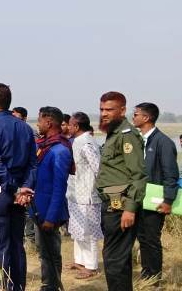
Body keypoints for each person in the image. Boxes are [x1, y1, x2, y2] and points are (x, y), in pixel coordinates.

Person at [0, 83, 36, 291]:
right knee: (16, 246)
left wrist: (16, 189)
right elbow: (32, 164)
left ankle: (2, 287)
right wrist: (25, 188)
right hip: (20, 195)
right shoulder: (25, 128)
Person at [95, 91, 147, 291]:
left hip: (121, 206)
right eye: (101, 109)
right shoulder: (114, 133)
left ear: (122, 110)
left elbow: (138, 176)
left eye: (109, 109)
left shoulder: (127, 136)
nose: (104, 113)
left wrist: (130, 209)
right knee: (118, 260)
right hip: (111, 206)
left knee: (114, 261)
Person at [132, 102, 179, 286]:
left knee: (151, 239)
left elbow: (171, 174)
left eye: (136, 114)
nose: (133, 117)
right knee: (142, 238)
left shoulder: (163, 142)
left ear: (146, 118)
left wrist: (168, 200)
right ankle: (146, 274)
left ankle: (155, 279)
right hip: (138, 199)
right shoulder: (138, 139)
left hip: (155, 201)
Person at [31, 107, 72, 291]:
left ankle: (52, 285)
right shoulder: (44, 146)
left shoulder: (59, 150)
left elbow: (59, 187)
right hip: (38, 209)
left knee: (51, 253)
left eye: (39, 120)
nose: (37, 124)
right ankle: (47, 284)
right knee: (44, 252)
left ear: (48, 122)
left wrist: (51, 217)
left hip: (49, 212)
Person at [66, 112, 103, 280]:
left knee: (89, 232)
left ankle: (92, 266)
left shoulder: (87, 143)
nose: (68, 127)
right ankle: (80, 261)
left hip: (88, 195)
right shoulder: (78, 141)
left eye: (71, 124)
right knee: (78, 230)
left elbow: (97, 169)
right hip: (76, 192)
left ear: (77, 127)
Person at [12, 106, 38, 245]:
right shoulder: (11, 132)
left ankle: (30, 238)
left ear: (24, 118)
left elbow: (33, 159)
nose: (14, 119)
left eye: (17, 116)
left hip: (28, 176)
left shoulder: (30, 132)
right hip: (14, 178)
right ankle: (19, 237)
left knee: (27, 210)